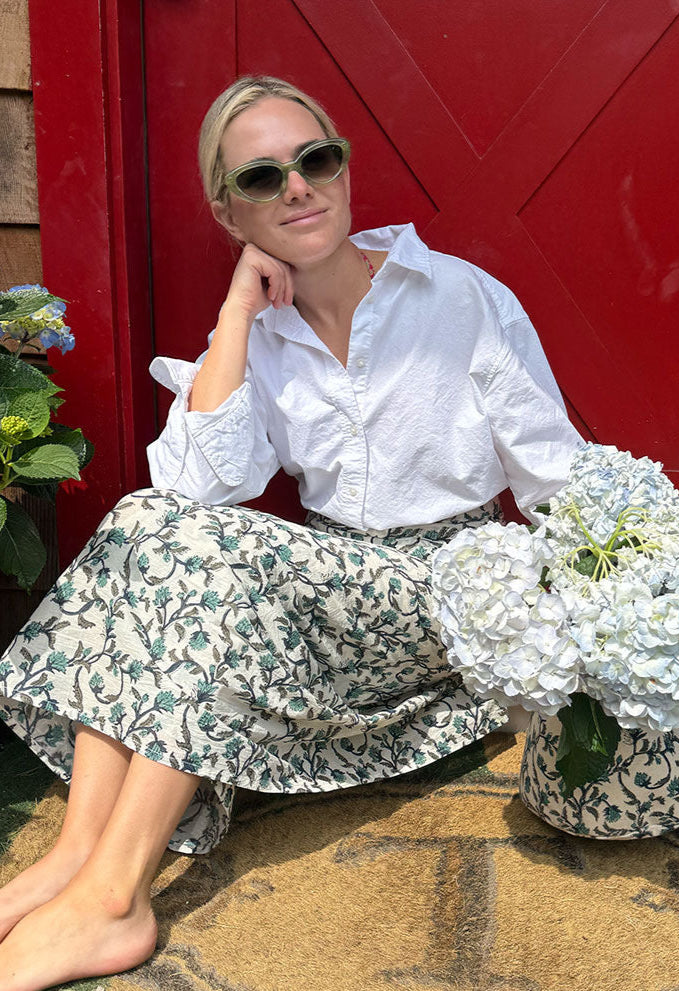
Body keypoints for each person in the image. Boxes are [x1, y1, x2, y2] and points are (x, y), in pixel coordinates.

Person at [0, 76, 582, 989]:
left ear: (344, 171)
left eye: (315, 161)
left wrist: (603, 607)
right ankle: (76, 856)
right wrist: (236, 315)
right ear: (230, 212)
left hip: (446, 592)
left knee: (196, 542)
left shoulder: (458, 297)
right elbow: (193, 486)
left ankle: (115, 898)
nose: (298, 189)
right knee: (150, 518)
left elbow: (556, 473)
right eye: (264, 178)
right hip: (330, 591)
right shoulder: (260, 337)